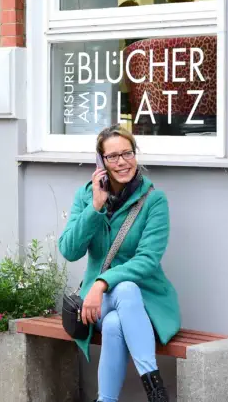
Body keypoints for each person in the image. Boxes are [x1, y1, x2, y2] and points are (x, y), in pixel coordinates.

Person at [58, 125, 180, 402]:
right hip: (98, 302)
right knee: (120, 298)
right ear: (101, 162)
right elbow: (69, 250)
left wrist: (101, 283)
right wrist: (95, 208)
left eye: (127, 153)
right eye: (113, 156)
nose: (122, 162)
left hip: (145, 298)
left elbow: (148, 259)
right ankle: (157, 393)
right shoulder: (86, 196)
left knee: (116, 318)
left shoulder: (154, 201)